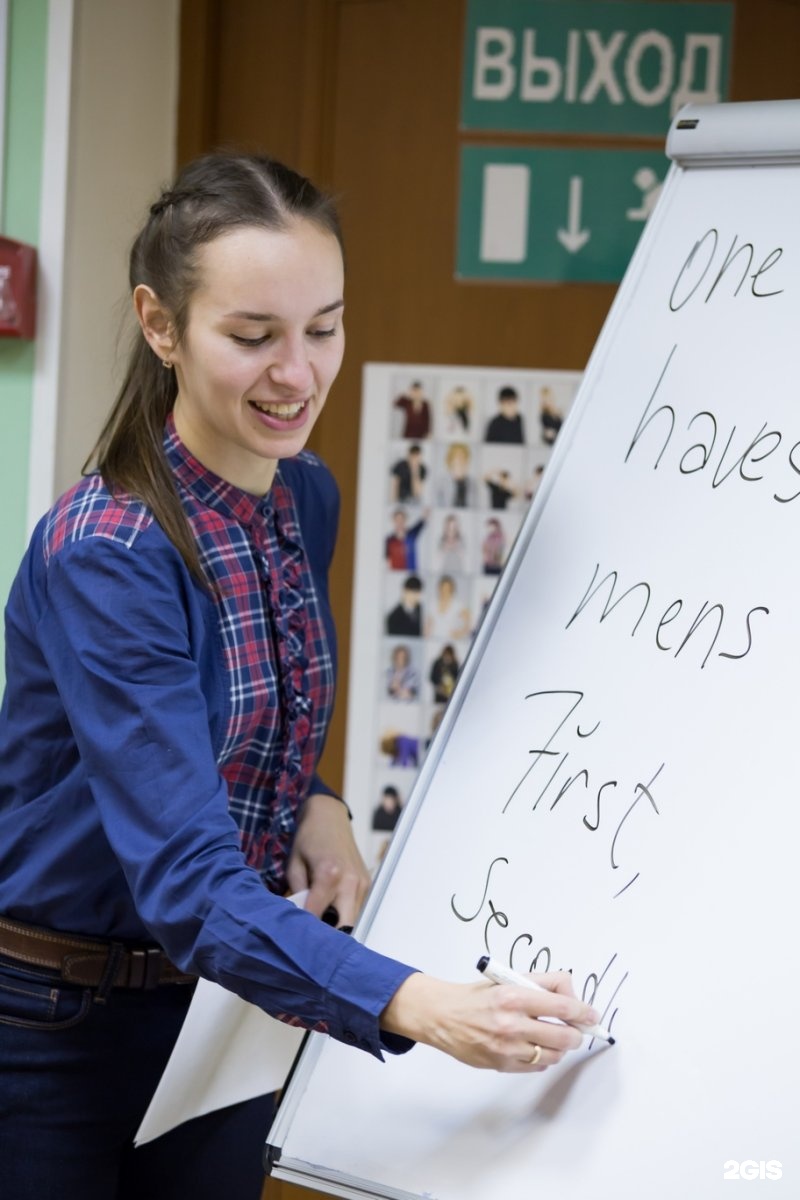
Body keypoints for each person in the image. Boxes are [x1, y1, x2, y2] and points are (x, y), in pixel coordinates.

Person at [0, 152, 598, 1199]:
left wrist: (315, 803)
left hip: (217, 1015)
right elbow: (187, 880)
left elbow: (242, 723)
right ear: (160, 325)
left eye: (322, 327)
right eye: (252, 336)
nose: (298, 373)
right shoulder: (109, 553)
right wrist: (422, 1005)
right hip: (56, 1028)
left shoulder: (299, 494)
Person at [384, 507, 426, 571]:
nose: (400, 522)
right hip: (396, 573)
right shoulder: (389, 540)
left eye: (402, 519)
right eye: (397, 520)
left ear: (405, 520)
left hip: (411, 573)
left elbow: (423, 520)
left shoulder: (412, 534)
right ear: (393, 521)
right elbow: (386, 560)